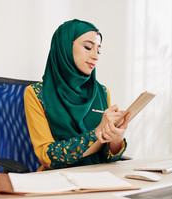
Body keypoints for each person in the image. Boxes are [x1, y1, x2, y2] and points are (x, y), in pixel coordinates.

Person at [24, 19, 130, 171]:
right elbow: (47, 156)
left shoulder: (102, 92)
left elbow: (108, 155)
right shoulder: (36, 94)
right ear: (65, 47)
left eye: (98, 50)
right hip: (60, 180)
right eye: (88, 47)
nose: (96, 56)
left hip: (101, 177)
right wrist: (97, 132)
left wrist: (116, 139)